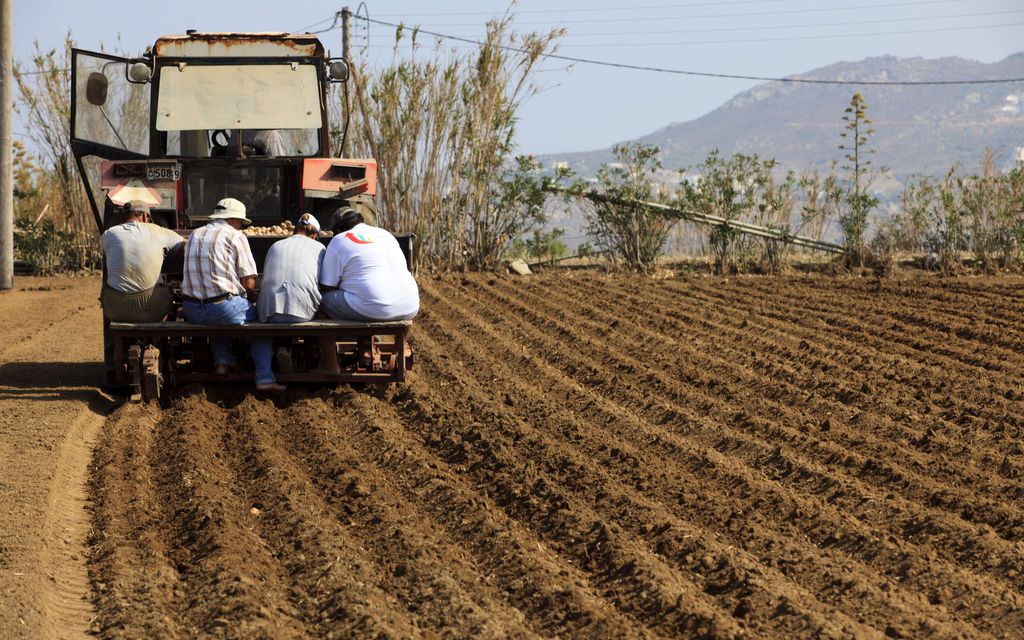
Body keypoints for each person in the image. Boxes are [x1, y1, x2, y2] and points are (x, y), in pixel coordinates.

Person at [181, 197, 285, 392]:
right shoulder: (235, 236)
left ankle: (221, 363)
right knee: (260, 323)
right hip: (222, 309)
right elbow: (248, 281)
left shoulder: (194, 234)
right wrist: (254, 294)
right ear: (235, 220)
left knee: (218, 310)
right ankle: (264, 378)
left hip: (192, 309)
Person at [256, 213, 336, 373]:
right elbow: (324, 283)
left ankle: (283, 347)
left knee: (282, 310)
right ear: (314, 235)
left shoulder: (276, 245)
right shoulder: (320, 248)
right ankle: (316, 357)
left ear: (295, 231)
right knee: (314, 307)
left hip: (268, 312)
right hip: (302, 314)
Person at [319, 208, 419, 323]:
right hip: (410, 306)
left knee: (319, 299)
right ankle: (402, 341)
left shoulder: (339, 239)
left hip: (376, 308)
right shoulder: (386, 234)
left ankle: (330, 341)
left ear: (337, 230)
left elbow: (327, 285)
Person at [99, 200, 183, 322]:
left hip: (115, 309)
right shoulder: (158, 231)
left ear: (124, 217)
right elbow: (187, 245)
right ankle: (160, 333)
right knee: (169, 292)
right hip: (150, 308)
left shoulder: (108, 234)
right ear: (144, 216)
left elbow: (107, 253)